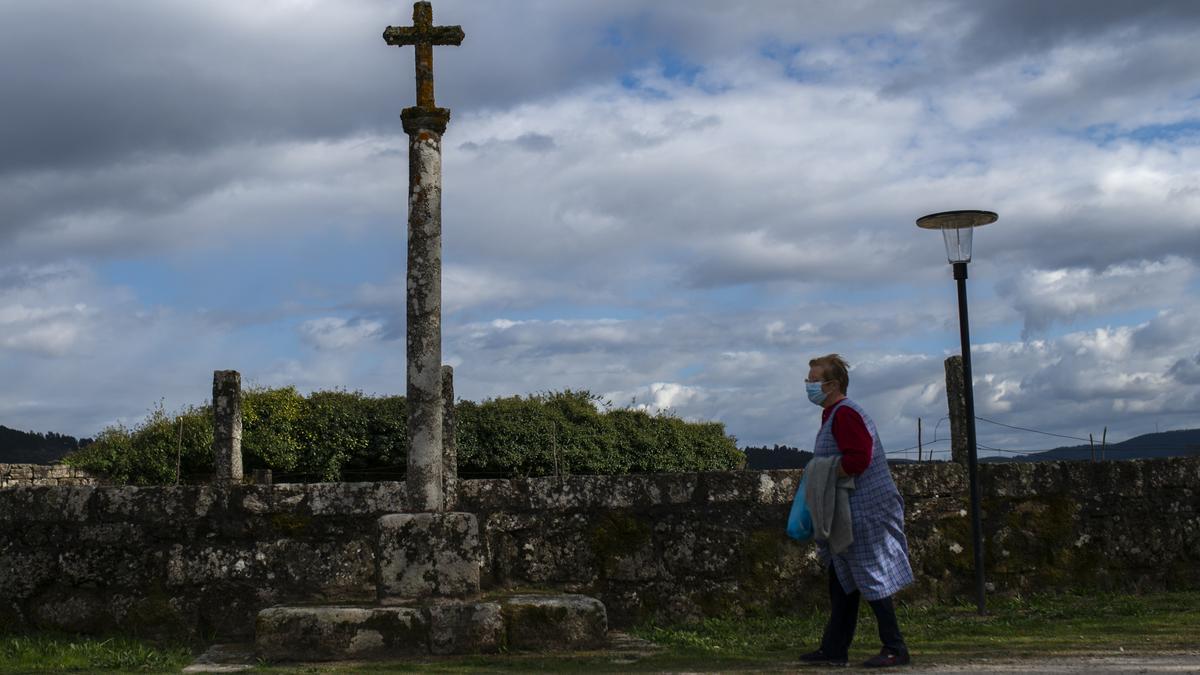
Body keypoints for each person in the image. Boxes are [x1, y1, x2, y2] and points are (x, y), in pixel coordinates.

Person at [798, 354, 914, 668]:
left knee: (870, 575)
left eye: (813, 380)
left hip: (865, 511)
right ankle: (834, 648)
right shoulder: (834, 413)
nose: (808, 385)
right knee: (842, 578)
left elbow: (858, 459)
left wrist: (823, 472)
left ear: (832, 384)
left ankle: (895, 647)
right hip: (850, 510)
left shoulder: (845, 415)